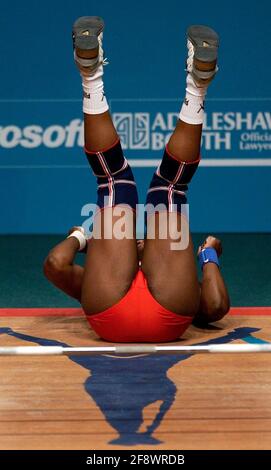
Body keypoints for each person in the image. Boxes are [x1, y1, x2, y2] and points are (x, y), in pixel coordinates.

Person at [44, 17, 230, 343]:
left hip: (117, 311)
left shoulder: (90, 282)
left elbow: (56, 265)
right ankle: (94, 77)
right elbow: (213, 306)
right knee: (131, 183)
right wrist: (82, 236)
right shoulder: (102, 281)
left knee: (159, 186)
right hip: (147, 311)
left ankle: (197, 87)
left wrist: (209, 256)